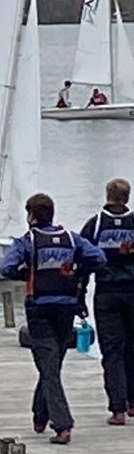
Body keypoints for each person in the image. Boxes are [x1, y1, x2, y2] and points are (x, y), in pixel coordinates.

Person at [0, 193, 105, 444]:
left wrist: (24, 273)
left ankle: (62, 425)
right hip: (67, 307)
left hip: (39, 308)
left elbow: (5, 267)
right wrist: (79, 271)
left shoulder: (28, 241)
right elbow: (99, 258)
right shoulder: (71, 238)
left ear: (31, 215)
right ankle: (39, 416)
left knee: (49, 367)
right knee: (52, 364)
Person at [80, 178, 134, 424]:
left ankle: (118, 409)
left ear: (107, 195)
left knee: (112, 351)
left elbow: (83, 263)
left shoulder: (95, 225)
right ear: (128, 197)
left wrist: (78, 298)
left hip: (106, 294)